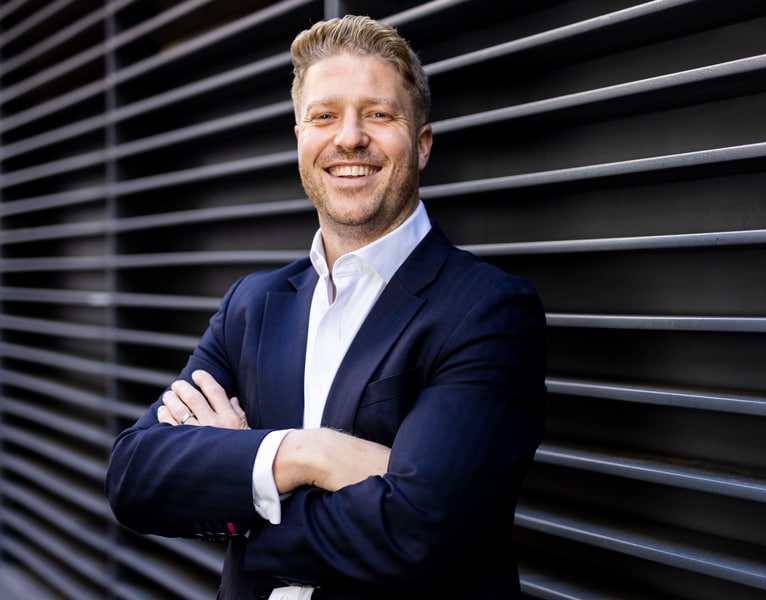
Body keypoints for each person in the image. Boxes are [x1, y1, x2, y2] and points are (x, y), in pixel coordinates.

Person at [106, 14, 546, 600]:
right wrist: (310, 452)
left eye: (379, 114)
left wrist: (241, 482)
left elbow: (418, 529)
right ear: (300, 141)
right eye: (324, 115)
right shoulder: (253, 305)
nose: (349, 137)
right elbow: (136, 476)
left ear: (421, 144)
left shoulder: (489, 310)